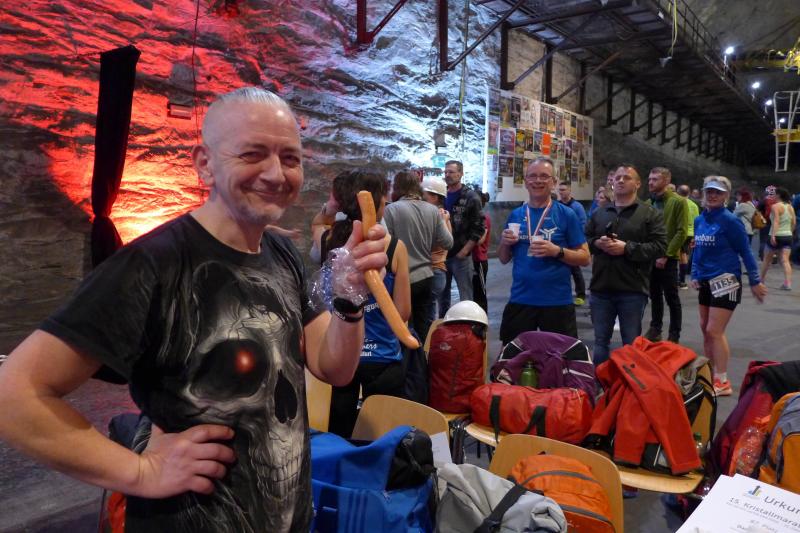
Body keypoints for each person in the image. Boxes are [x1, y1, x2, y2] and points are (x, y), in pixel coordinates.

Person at [0, 87, 390, 532]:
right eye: (252, 154)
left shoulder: (281, 253)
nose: (275, 173)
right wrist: (141, 472)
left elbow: (334, 368)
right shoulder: (153, 264)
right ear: (205, 164)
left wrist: (349, 298)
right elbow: (15, 395)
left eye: (290, 158)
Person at [326, 171, 412, 437]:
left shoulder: (329, 240)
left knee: (339, 436)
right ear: (378, 205)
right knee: (383, 439)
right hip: (383, 357)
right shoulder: (394, 247)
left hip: (342, 356)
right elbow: (403, 313)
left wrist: (331, 208)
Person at [497, 157, 590, 344]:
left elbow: (585, 257)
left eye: (544, 176)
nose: (537, 180)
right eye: (532, 176)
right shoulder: (516, 215)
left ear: (553, 182)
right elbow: (503, 258)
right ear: (526, 182)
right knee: (513, 356)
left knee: (560, 358)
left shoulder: (566, 214)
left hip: (557, 302)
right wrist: (505, 243)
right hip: (521, 299)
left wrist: (557, 251)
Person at [692, 176, 767, 396]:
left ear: (726, 195)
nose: (712, 195)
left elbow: (746, 251)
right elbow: (697, 249)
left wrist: (755, 280)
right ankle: (708, 375)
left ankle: (722, 380)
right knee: (705, 329)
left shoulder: (730, 221)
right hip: (705, 280)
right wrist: (695, 273)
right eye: (709, 191)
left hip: (726, 280)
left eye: (718, 192)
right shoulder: (699, 220)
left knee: (714, 331)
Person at [585, 164, 666, 364]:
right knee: (600, 342)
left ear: (637, 184)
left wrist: (627, 248)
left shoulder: (649, 214)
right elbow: (583, 241)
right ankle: (599, 381)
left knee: (630, 344)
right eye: (617, 177)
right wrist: (597, 243)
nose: (621, 180)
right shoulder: (600, 213)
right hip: (601, 288)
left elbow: (660, 247)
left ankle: (629, 382)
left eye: (627, 177)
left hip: (632, 290)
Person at [383, 171, 452, 342]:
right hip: (427, 276)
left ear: (397, 188)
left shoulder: (391, 209)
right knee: (423, 326)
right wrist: (443, 221)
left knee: (402, 328)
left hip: (402, 280)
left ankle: (407, 358)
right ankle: (422, 357)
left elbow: (385, 244)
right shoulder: (432, 210)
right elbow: (448, 242)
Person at [645, 167, 688, 343]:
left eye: (655, 179)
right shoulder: (647, 203)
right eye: (649, 179)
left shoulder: (678, 202)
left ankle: (674, 334)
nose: (650, 182)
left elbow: (681, 231)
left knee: (672, 297)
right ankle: (655, 329)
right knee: (654, 295)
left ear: (666, 181)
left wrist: (666, 255)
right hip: (650, 257)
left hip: (667, 258)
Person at [442, 160, 485, 314]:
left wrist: (465, 251)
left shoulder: (471, 197)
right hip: (442, 255)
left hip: (461, 255)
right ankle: (443, 323)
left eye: (451, 172)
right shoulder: (441, 195)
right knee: (442, 296)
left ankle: (468, 322)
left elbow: (479, 227)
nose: (447, 175)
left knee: (466, 296)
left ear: (460, 174)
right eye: (446, 172)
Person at [422, 178, 452, 321]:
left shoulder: (438, 216)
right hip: (437, 271)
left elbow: (444, 243)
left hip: (434, 271)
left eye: (424, 194)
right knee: (429, 310)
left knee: (426, 315)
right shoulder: (442, 215)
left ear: (434, 197)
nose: (421, 198)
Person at [558, 181, 588, 306]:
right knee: (559, 269)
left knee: (575, 270)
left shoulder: (577, 207)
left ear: (569, 190)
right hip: (560, 243)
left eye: (563, 190)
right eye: (560, 190)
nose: (561, 192)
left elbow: (583, 224)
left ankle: (581, 295)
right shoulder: (557, 206)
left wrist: (576, 240)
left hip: (572, 243)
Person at [759, 187, 796, 291]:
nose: (773, 196)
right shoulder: (790, 207)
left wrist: (773, 235)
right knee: (785, 260)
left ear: (779, 195)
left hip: (776, 235)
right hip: (787, 236)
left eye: (774, 194)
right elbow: (793, 222)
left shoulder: (775, 206)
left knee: (767, 260)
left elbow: (776, 221)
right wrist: (790, 232)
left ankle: (761, 280)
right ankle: (787, 283)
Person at [677, 184, 700, 289]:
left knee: (678, 256)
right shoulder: (694, 205)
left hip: (680, 232)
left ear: (678, 192)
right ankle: (682, 280)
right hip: (690, 233)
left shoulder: (677, 203)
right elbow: (697, 220)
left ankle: (679, 280)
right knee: (684, 255)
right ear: (689, 193)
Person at [472, 192, 491, 313]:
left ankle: (482, 318)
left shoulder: (484, 218)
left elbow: (480, 240)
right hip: (470, 260)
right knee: (472, 292)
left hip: (479, 260)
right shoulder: (471, 218)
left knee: (480, 293)